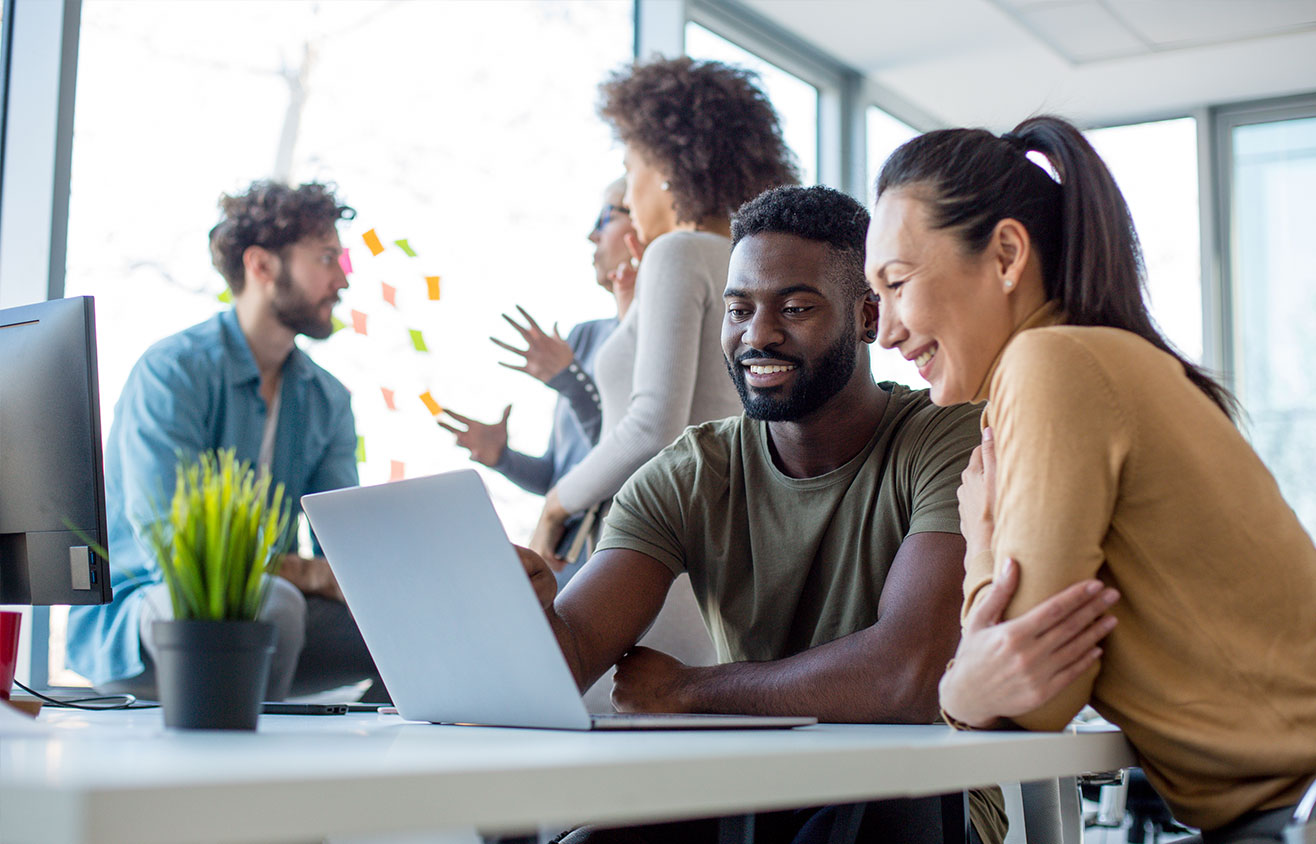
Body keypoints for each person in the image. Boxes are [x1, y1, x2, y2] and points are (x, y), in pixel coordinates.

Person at [866, 115, 1316, 842]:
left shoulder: (1049, 365)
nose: (883, 330)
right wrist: (971, 683)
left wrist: (980, 541)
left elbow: (1035, 692)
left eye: (896, 282)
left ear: (1007, 254)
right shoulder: (1101, 358)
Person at [520, 186, 1005, 844]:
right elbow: (568, 656)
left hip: (917, 795)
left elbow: (905, 679)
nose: (759, 334)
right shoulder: (691, 472)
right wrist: (523, 610)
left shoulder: (945, 438)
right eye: (740, 309)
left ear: (867, 316)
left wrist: (693, 690)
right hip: (752, 794)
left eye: (796, 307)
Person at [67, 180, 386, 702]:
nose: (342, 279)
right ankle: (248, 765)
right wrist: (309, 572)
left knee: (419, 622)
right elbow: (177, 548)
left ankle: (370, 772)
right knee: (274, 604)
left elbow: (345, 554)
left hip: (275, 616)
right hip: (151, 611)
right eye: (327, 258)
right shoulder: (173, 371)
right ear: (261, 266)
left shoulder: (328, 398)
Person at [529, 56, 799, 564]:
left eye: (631, 170)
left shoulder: (678, 253)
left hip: (651, 544)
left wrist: (554, 504)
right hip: (718, 538)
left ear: (668, 165)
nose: (630, 192)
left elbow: (652, 425)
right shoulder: (753, 264)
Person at [440, 178, 640, 579]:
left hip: (612, 551)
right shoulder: (583, 336)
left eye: (606, 216)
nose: (592, 234)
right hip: (563, 553)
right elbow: (558, 475)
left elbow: (632, 448)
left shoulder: (657, 341)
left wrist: (569, 379)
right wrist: (504, 459)